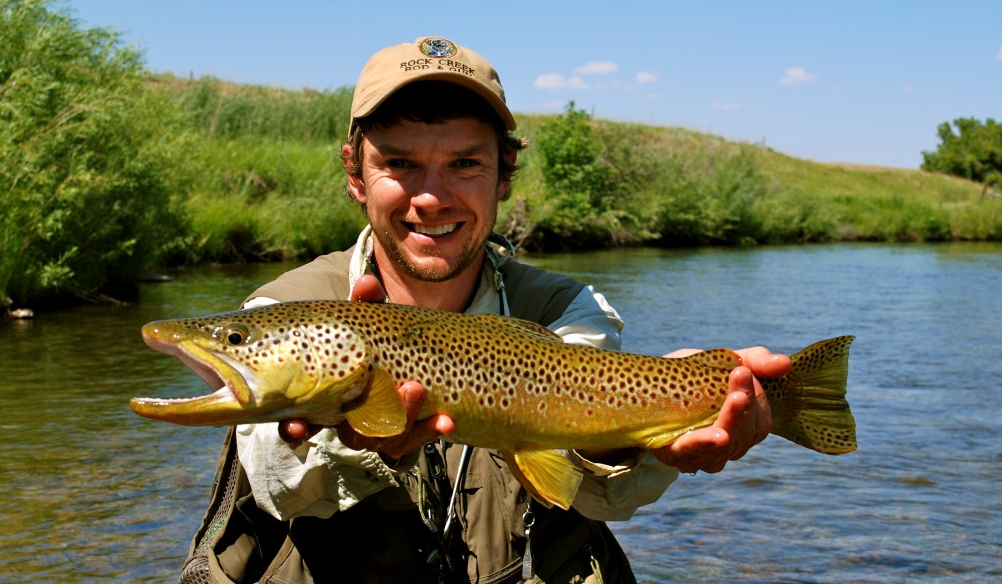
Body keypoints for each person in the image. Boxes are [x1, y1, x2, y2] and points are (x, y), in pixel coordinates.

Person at [179, 36, 791, 584]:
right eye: (400, 162)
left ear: (504, 175)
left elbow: (600, 492)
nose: (431, 196)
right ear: (356, 174)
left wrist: (692, 401)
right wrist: (351, 436)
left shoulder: (565, 310)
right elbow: (277, 483)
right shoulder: (283, 309)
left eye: (465, 163)